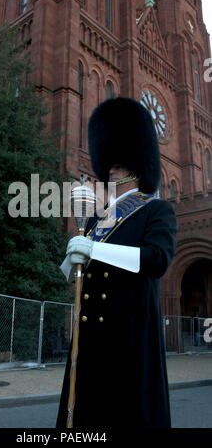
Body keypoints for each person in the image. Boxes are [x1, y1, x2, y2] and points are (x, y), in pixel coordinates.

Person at [56, 97, 178, 429]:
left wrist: (93, 250)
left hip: (129, 335)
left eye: (118, 165)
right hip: (90, 338)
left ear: (135, 166)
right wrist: (71, 256)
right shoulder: (100, 219)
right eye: (109, 164)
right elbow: (71, 274)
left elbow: (157, 260)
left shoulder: (156, 210)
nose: (110, 169)